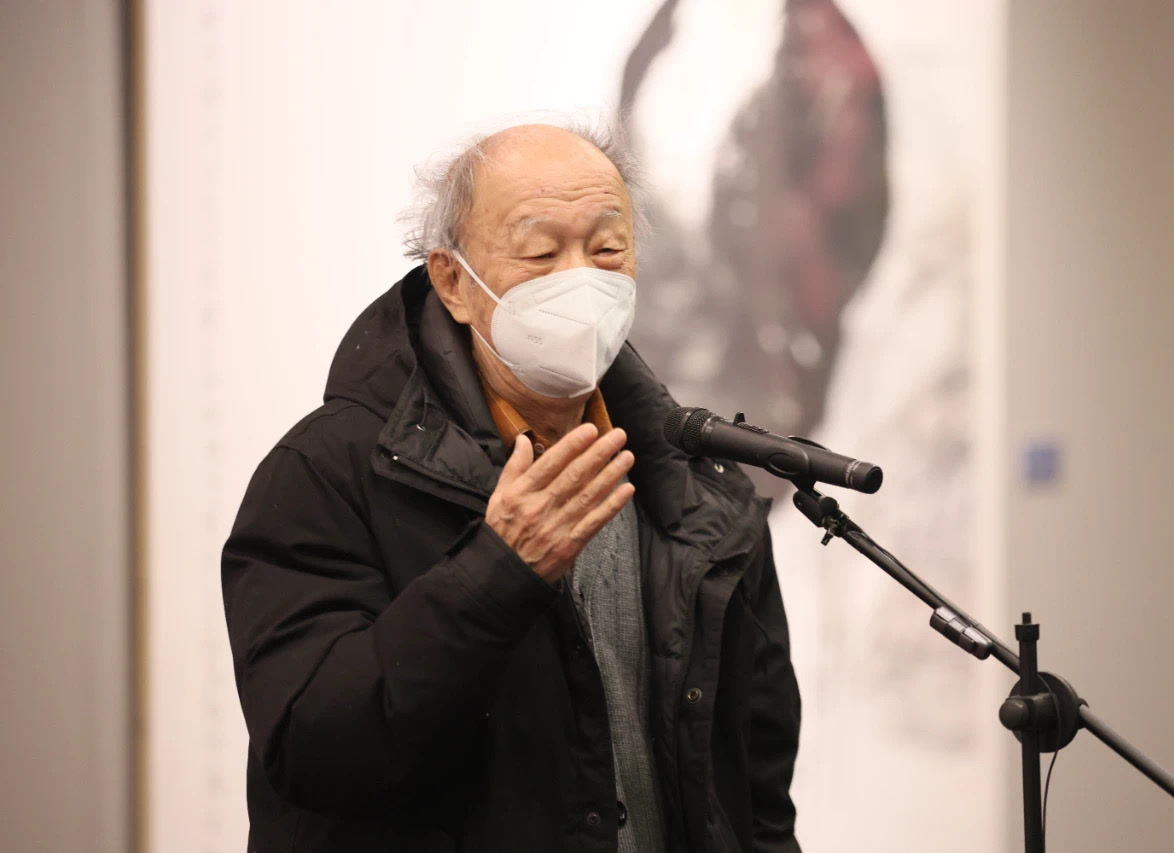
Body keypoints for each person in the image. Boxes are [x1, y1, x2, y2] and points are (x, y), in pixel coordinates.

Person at [222, 122, 802, 853]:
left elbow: (754, 790)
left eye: (607, 249)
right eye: (540, 253)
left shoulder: (699, 491)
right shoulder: (327, 472)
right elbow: (312, 750)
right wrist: (497, 571)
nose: (580, 280)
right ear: (453, 282)